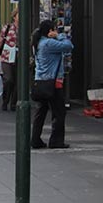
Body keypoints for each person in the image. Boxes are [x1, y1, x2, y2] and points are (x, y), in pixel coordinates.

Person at [31, 20, 73, 149]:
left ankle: (35, 139)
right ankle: (56, 140)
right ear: (50, 31)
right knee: (59, 112)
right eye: (54, 29)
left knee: (41, 112)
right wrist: (60, 36)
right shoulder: (48, 43)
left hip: (41, 81)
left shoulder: (38, 43)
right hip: (53, 83)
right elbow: (68, 46)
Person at [0, 8, 19, 111]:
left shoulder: (25, 28)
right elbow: (0, 41)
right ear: (14, 16)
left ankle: (14, 103)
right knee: (8, 79)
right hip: (7, 56)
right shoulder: (7, 27)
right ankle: (5, 100)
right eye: (18, 15)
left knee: (18, 81)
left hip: (19, 56)